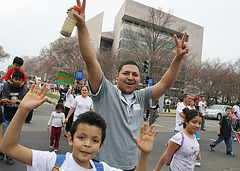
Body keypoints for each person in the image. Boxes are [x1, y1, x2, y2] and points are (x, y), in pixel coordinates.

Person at [74, 0, 189, 169]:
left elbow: (165, 84)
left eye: (135, 74)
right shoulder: (105, 91)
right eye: (125, 73)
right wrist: (82, 26)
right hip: (102, 164)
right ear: (116, 76)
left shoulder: (142, 97)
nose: (130, 77)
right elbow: (91, 61)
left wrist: (178, 58)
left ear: (139, 79)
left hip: (132, 165)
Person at [0, 82, 159, 171]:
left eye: (95, 140)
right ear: (70, 138)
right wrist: (22, 110)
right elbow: (9, 148)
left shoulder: (103, 169)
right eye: (81, 137)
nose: (87, 144)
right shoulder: (53, 162)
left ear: (101, 145)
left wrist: (144, 154)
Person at [0, 71, 28, 165]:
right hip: (6, 117)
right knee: (3, 136)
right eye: (16, 79)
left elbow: (25, 102)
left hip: (17, 119)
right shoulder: (7, 86)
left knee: (14, 138)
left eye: (20, 80)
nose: (17, 81)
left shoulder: (24, 88)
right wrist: (4, 100)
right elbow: (1, 100)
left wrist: (16, 101)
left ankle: (10, 156)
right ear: (12, 78)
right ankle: (1, 151)